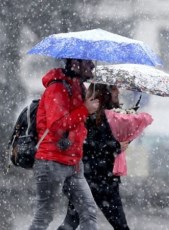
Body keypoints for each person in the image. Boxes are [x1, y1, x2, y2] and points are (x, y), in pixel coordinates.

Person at [29, 59, 100, 230]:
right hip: (51, 161)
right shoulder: (58, 88)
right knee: (44, 216)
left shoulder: (78, 87)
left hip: (74, 162)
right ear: (75, 63)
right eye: (88, 62)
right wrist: (85, 110)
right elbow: (57, 125)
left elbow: (78, 123)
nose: (93, 66)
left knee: (89, 213)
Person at [58, 83, 130, 230]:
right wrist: (116, 145)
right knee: (120, 225)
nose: (118, 93)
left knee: (71, 222)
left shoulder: (106, 115)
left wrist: (122, 141)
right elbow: (91, 144)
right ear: (107, 94)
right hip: (101, 180)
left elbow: (92, 143)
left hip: (88, 176)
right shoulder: (100, 117)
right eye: (115, 91)